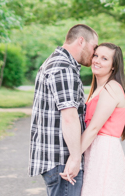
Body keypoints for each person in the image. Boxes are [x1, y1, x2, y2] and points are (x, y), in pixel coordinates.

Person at [29, 24, 99, 196]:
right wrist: (75, 159)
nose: (95, 53)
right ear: (81, 41)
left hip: (57, 159)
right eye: (94, 47)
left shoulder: (55, 62)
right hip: (63, 160)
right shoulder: (63, 68)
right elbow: (69, 117)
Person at [76, 42, 125, 196]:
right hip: (94, 151)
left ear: (113, 66)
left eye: (104, 58)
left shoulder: (111, 88)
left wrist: (73, 158)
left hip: (104, 152)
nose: (97, 60)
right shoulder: (98, 89)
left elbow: (93, 129)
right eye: (96, 55)